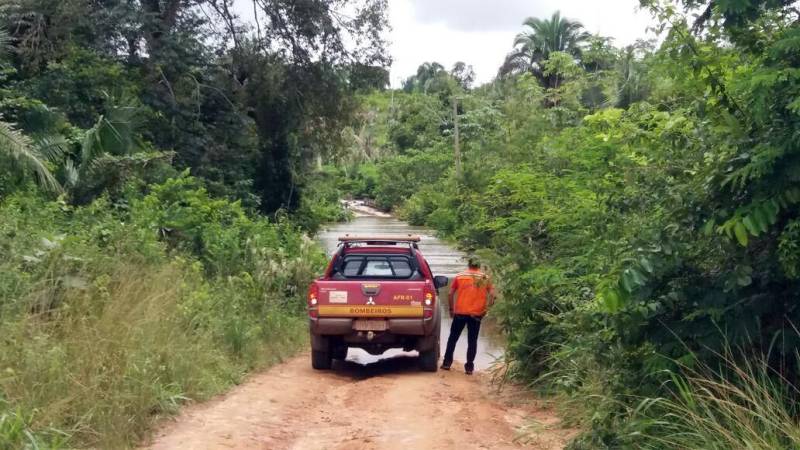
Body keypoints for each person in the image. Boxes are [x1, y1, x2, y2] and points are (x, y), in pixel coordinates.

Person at [441, 257, 495, 374]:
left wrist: (451, 309)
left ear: (468, 264)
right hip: (477, 313)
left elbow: (450, 294)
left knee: (453, 338)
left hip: (460, 312)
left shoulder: (460, 276)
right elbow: (492, 295)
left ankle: (446, 363)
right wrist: (486, 309)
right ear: (479, 265)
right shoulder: (485, 278)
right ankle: (469, 368)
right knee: (472, 340)